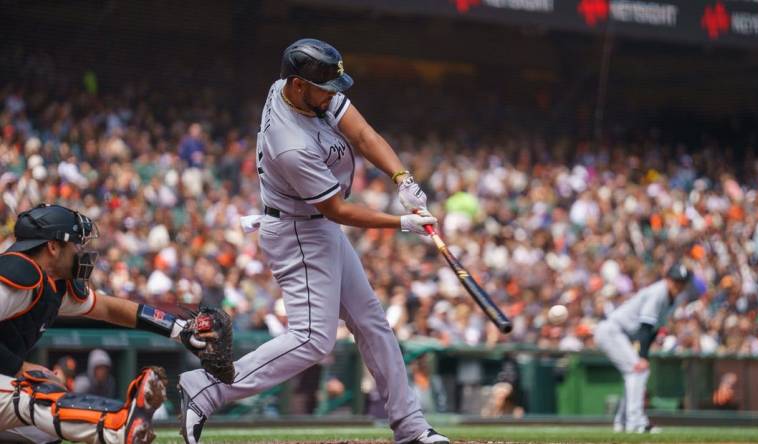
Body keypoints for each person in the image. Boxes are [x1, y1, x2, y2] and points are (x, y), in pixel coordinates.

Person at [178, 38, 449, 444]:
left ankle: (410, 427)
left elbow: (364, 134)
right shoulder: (290, 144)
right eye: (326, 88)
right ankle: (209, 388)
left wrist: (402, 178)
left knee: (372, 323)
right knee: (311, 339)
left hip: (314, 227)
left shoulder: (298, 92)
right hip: (297, 231)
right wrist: (401, 223)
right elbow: (336, 210)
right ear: (298, 84)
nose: (334, 95)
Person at [0, 203, 215, 444]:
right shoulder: (18, 272)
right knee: (34, 395)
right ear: (52, 246)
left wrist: (180, 329)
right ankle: (119, 426)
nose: (79, 251)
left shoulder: (54, 286)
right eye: (74, 243)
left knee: (44, 432)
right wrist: (21, 368)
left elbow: (109, 308)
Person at [593, 263, 693, 433]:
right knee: (638, 370)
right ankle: (636, 422)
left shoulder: (672, 298)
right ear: (668, 279)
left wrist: (642, 354)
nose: (679, 285)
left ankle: (623, 422)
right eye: (676, 281)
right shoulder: (658, 292)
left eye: (682, 282)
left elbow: (653, 328)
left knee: (634, 372)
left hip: (622, 334)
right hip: (613, 331)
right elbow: (645, 327)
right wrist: (642, 356)